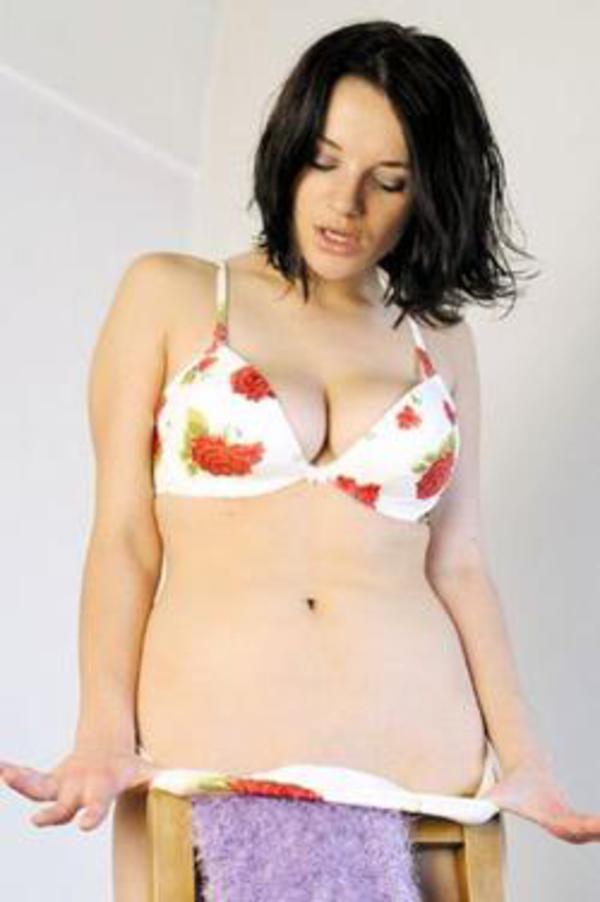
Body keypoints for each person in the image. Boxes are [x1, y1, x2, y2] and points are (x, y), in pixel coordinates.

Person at [2, 18, 600, 902]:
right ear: (288, 152)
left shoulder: (440, 339)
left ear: (428, 192)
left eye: (388, 181)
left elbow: (461, 562)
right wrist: (101, 732)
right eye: (325, 161)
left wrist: (526, 758)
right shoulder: (170, 294)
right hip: (205, 756)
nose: (346, 204)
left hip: (424, 770)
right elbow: (124, 536)